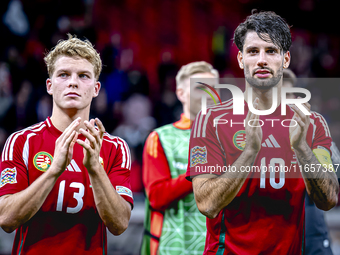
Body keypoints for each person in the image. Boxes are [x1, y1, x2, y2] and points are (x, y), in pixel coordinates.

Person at [187, 11, 339, 255]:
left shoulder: (312, 123)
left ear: (286, 59)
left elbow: (328, 199)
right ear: (240, 59)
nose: (261, 60)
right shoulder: (211, 120)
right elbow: (206, 204)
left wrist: (301, 148)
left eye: (271, 51)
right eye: (252, 51)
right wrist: (249, 152)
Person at [0, 35, 133, 255]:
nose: (73, 82)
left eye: (83, 76)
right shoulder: (21, 142)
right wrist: (54, 171)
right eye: (64, 74)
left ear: (96, 88)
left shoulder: (115, 148)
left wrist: (95, 170)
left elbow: (119, 225)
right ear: (49, 86)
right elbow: (5, 220)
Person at [141, 61, 219, 255]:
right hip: (174, 246)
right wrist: (199, 172)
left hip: (221, 246)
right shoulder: (161, 138)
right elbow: (156, 197)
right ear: (181, 93)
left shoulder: (232, 137)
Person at [283, 68, 334, 255]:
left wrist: (302, 146)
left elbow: (332, 179)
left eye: (289, 95)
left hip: (312, 231)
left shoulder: (315, 131)